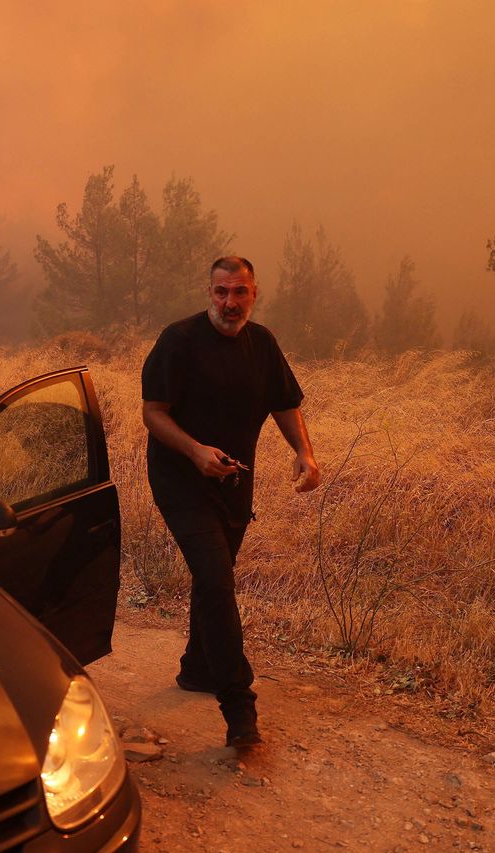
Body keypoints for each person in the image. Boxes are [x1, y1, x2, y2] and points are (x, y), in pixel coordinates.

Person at [141, 255, 320, 747]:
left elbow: (285, 403)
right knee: (218, 580)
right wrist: (195, 450)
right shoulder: (177, 341)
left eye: (240, 292)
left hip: (235, 484)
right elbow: (153, 414)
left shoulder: (262, 345)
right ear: (209, 292)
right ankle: (239, 706)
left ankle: (198, 667)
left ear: (254, 294)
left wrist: (304, 453)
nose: (230, 302)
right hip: (180, 481)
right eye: (221, 292)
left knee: (212, 577)